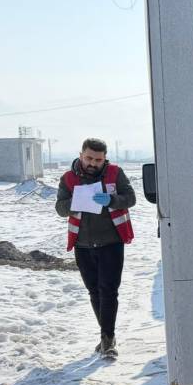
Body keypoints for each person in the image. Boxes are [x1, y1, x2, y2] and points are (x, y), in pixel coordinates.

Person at [55, 138, 136, 358]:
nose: (93, 163)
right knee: (94, 291)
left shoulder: (114, 174)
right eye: (89, 158)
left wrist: (111, 200)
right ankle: (106, 334)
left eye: (98, 160)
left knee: (108, 291)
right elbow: (60, 208)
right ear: (81, 155)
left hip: (111, 243)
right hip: (83, 244)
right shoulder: (68, 179)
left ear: (105, 158)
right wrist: (76, 201)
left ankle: (107, 341)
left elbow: (130, 198)